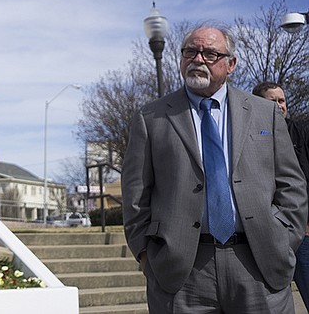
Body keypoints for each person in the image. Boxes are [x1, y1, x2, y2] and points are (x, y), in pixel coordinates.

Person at [122, 25, 307, 313]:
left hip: (260, 262)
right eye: (190, 52)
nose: (198, 59)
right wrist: (146, 254)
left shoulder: (265, 113)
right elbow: (135, 195)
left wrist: (284, 240)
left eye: (210, 53)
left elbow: (292, 185)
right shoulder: (150, 118)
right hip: (181, 272)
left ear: (231, 64)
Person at [252, 81, 309, 309]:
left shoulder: (302, 132)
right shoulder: (247, 137)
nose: (279, 105)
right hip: (265, 239)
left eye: (282, 100)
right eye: (272, 100)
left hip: (303, 236)